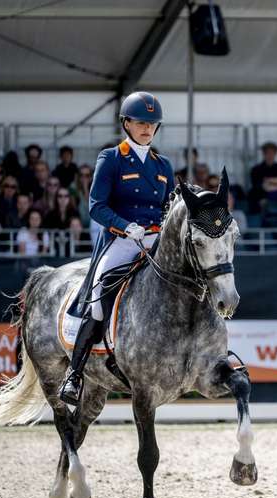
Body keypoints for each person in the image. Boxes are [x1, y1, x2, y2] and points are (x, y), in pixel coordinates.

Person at [58, 91, 174, 404]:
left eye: (152, 123)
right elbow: (96, 206)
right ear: (126, 123)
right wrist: (124, 226)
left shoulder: (163, 165)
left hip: (156, 240)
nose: (147, 128)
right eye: (140, 122)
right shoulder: (111, 158)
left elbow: (171, 206)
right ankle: (75, 374)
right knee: (99, 292)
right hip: (123, 240)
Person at [249, 141, 277, 211]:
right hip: (263, 197)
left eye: (272, 153)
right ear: (264, 154)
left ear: (276, 153)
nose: (270, 155)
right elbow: (258, 185)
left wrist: (268, 182)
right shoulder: (256, 169)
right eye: (267, 153)